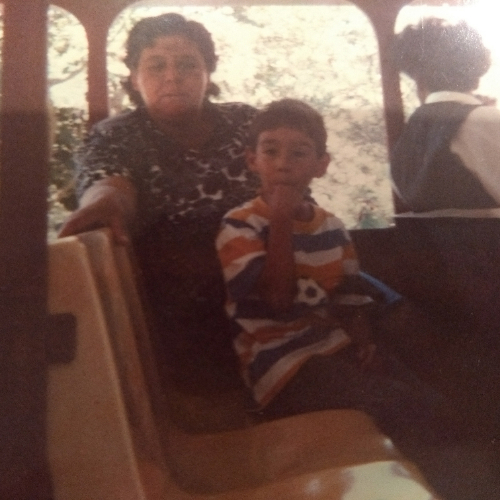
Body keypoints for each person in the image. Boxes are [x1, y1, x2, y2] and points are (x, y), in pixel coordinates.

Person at [58, 13, 261, 389]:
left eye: (187, 64)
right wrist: (104, 204)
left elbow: (291, 185)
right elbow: (109, 184)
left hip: (267, 273)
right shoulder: (115, 135)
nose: (172, 76)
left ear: (207, 72)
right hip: (180, 299)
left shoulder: (248, 124)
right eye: (156, 66)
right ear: (135, 78)